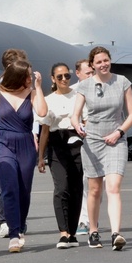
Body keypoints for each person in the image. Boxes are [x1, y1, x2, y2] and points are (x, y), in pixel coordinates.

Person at [0, 54, 47, 253]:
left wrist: (39, 87)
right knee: (8, 187)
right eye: (27, 76)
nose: (30, 79)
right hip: (2, 144)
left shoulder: (32, 92)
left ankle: (20, 224)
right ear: (17, 76)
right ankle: (14, 234)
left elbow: (42, 112)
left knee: (24, 190)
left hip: (25, 143)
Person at [71, 46, 132, 251]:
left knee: (113, 187)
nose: (103, 64)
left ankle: (116, 233)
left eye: (106, 60)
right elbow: (75, 115)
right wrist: (77, 126)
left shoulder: (122, 82)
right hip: (92, 140)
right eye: (98, 62)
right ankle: (93, 230)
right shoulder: (85, 86)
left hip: (116, 139)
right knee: (94, 189)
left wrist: (119, 132)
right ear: (92, 65)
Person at [38, 62, 85, 248]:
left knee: (76, 188)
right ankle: (63, 232)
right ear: (53, 79)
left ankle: (72, 233)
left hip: (77, 141)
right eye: (60, 77)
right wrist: (40, 156)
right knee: (61, 187)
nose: (64, 79)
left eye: (67, 76)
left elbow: (86, 120)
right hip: (57, 144)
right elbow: (45, 131)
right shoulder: (49, 100)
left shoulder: (79, 97)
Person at [73, 59, 94, 236]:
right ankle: (82, 219)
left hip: (96, 142)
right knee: (78, 183)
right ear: (78, 73)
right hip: (75, 142)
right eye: (88, 73)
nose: (91, 76)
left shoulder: (101, 89)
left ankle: (88, 219)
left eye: (92, 73)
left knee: (92, 183)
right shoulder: (72, 92)